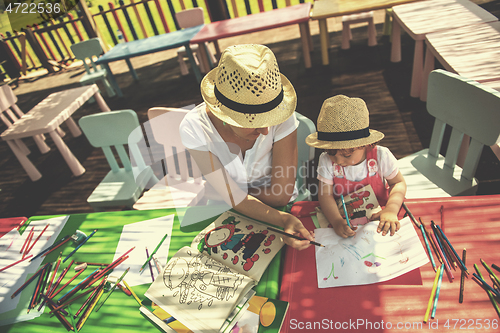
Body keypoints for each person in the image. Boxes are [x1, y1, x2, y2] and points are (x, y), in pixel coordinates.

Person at [179, 44, 313, 250]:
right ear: (223, 112)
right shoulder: (193, 127)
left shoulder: (283, 117)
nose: (266, 131)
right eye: (252, 120)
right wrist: (229, 196)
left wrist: (226, 194)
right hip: (234, 216)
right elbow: (243, 196)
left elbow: (281, 195)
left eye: (270, 117)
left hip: (280, 210)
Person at [306, 95, 406, 238]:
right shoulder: (326, 160)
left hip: (381, 217)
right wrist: (336, 221)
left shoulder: (381, 157)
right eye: (331, 153)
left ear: (366, 145)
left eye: (346, 155)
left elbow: (398, 183)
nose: (338, 161)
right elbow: (325, 194)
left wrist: (391, 209)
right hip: (343, 218)